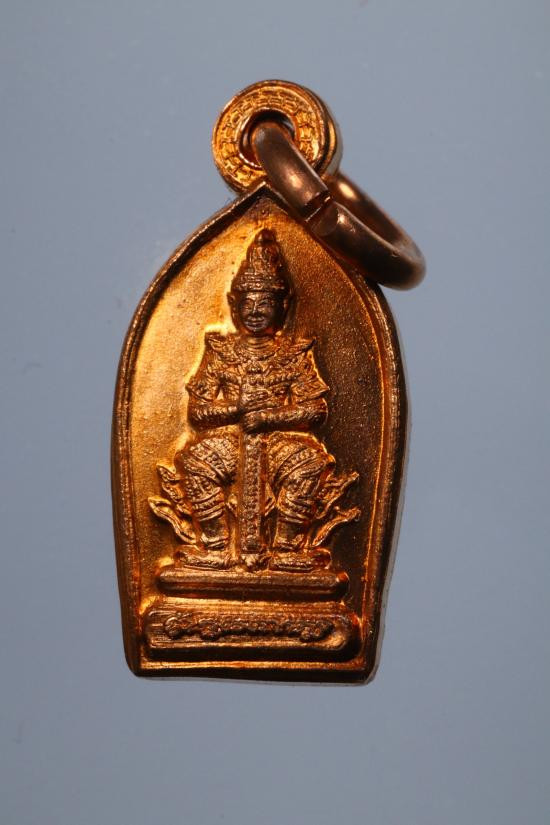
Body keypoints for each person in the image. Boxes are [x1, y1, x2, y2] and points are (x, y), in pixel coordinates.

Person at [176, 229, 334, 569]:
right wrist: (237, 409)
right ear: (234, 305)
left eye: (265, 303)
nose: (255, 310)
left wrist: (269, 417)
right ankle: (216, 546)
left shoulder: (293, 354)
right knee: (195, 461)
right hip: (230, 442)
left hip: (276, 441)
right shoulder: (221, 351)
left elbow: (315, 410)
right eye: (247, 302)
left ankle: (287, 549)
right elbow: (198, 411)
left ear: (283, 306)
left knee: (310, 463)